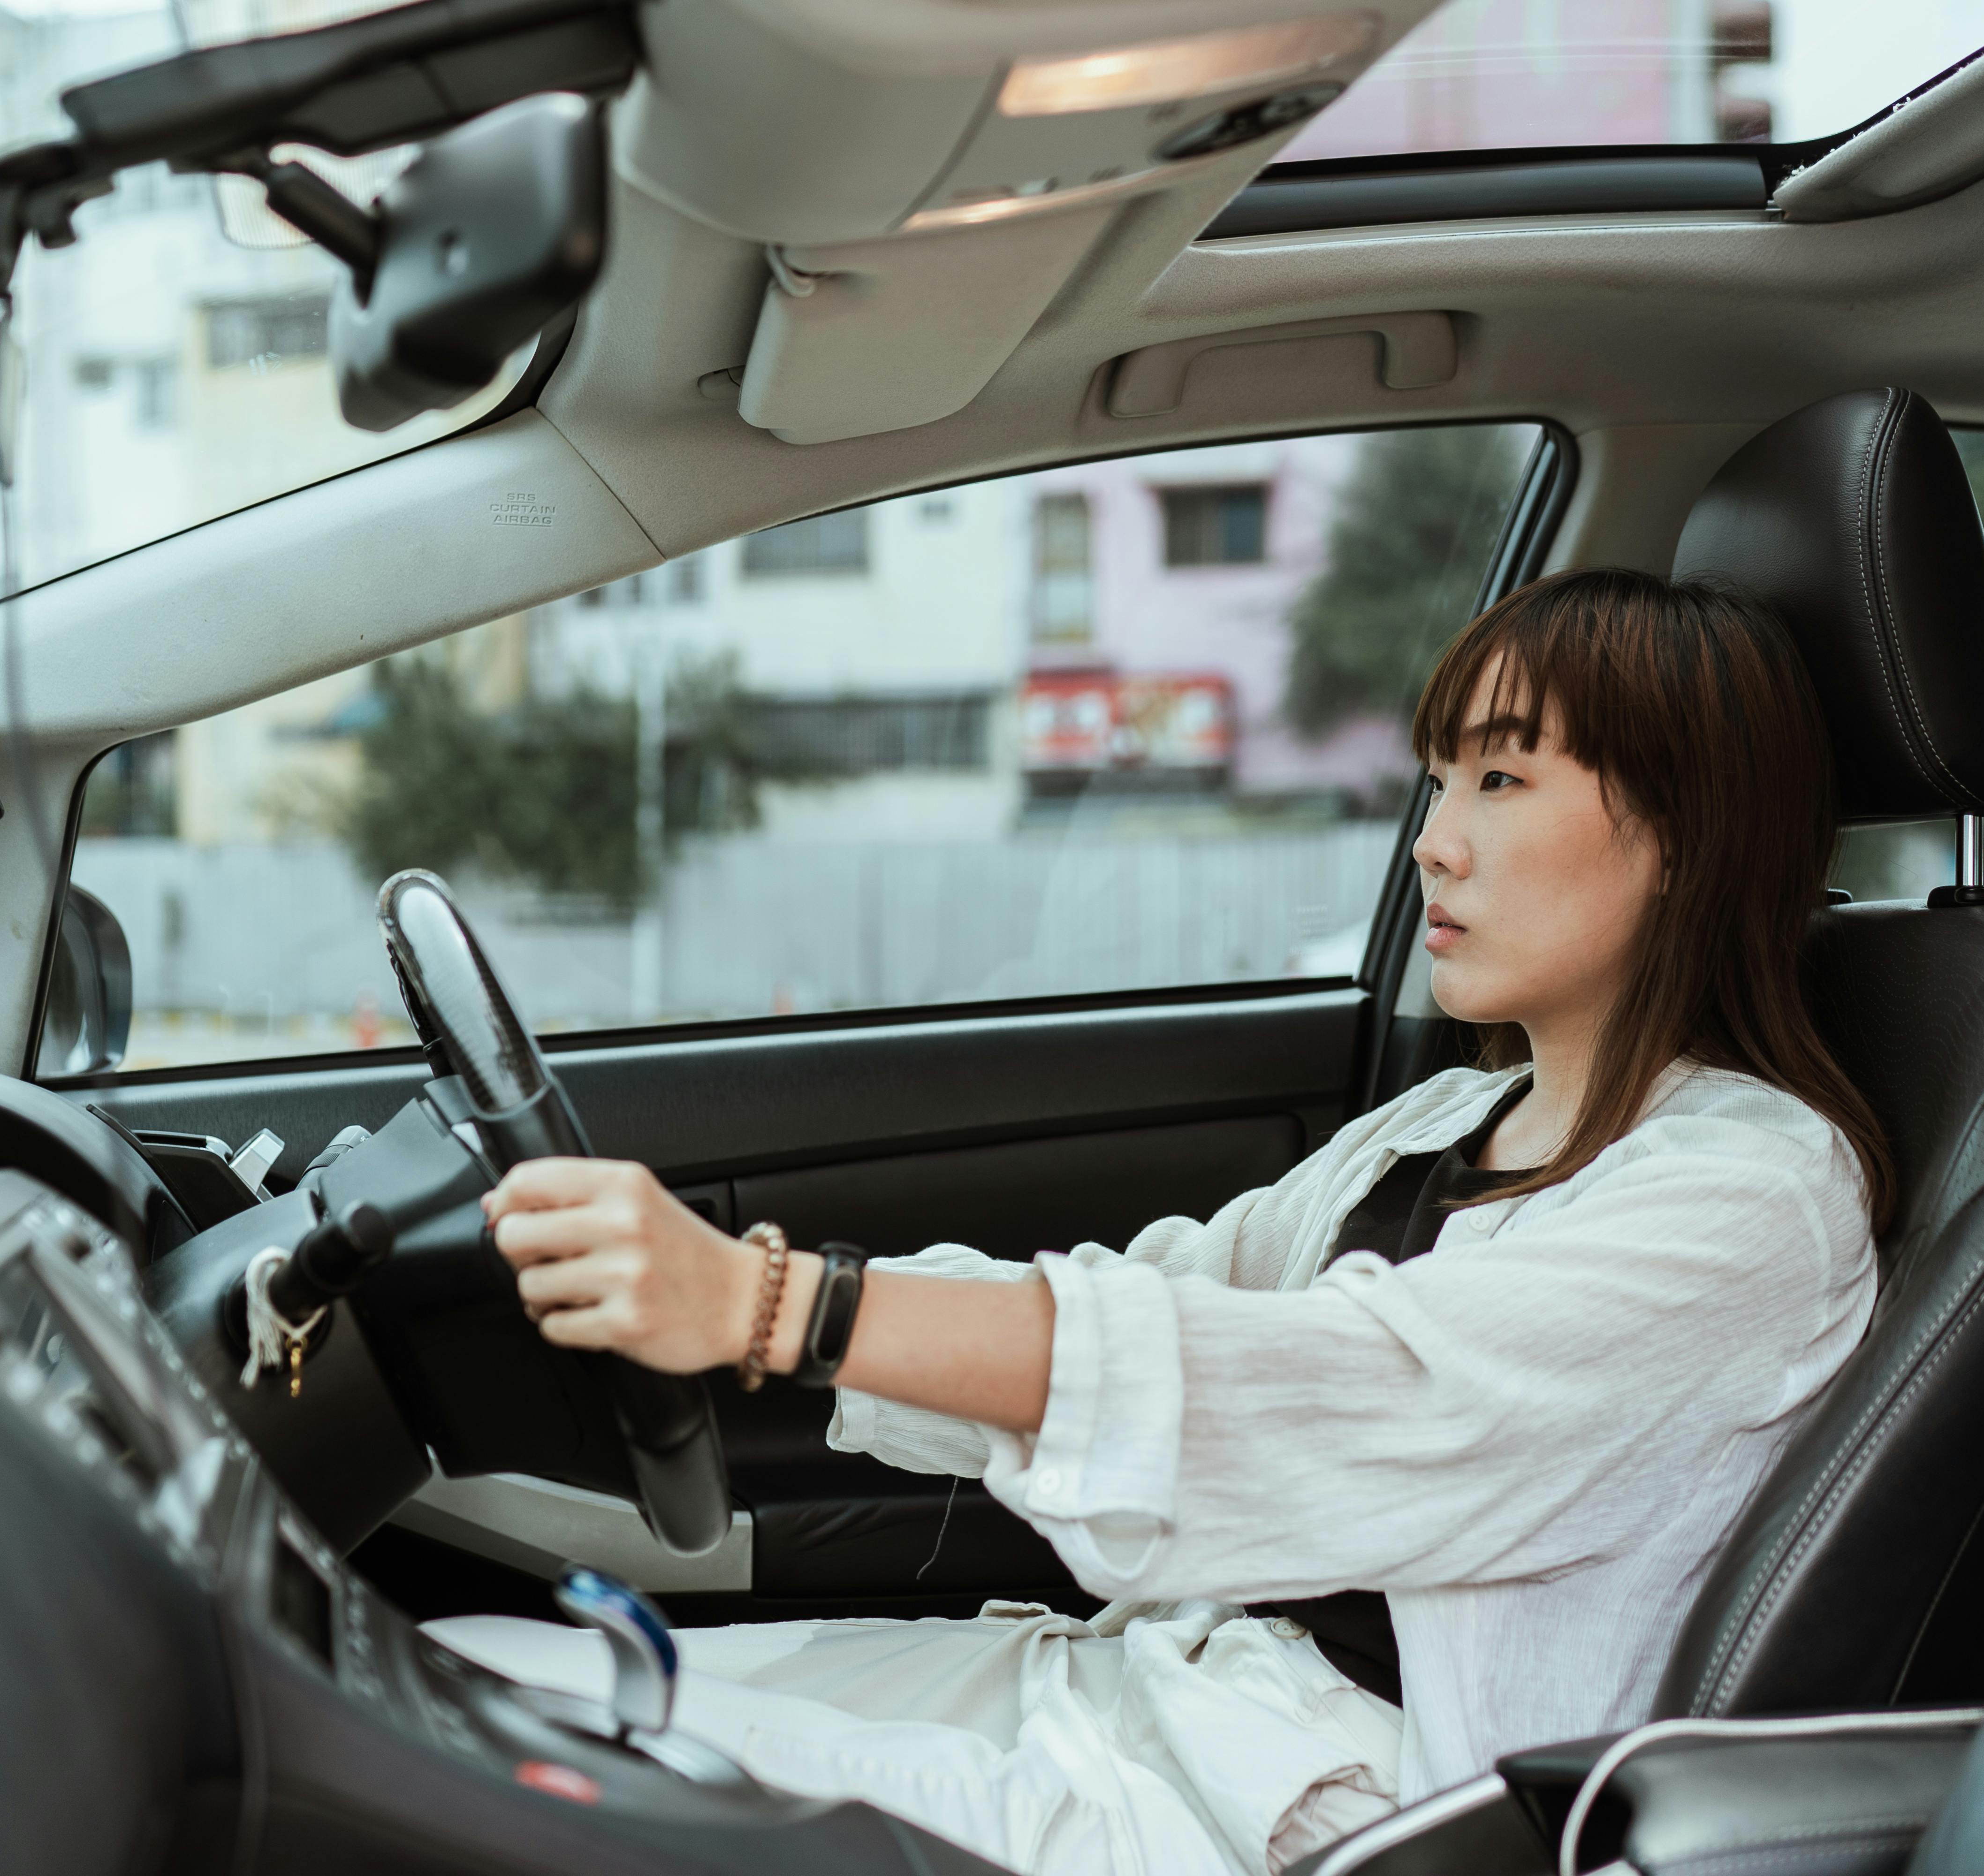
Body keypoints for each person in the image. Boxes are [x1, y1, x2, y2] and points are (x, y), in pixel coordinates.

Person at [429, 567, 1894, 1876]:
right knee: (447, 1675)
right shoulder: (1447, 1122)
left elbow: (1312, 1393)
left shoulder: (1751, 1200)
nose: (1431, 845)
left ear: (1687, 836)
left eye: (1501, 784)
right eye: (1437, 781)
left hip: (1306, 1811)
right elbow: (1170, 1293)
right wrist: (769, 1333)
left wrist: (775, 1307)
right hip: (1152, 1696)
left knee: (445, 1776)